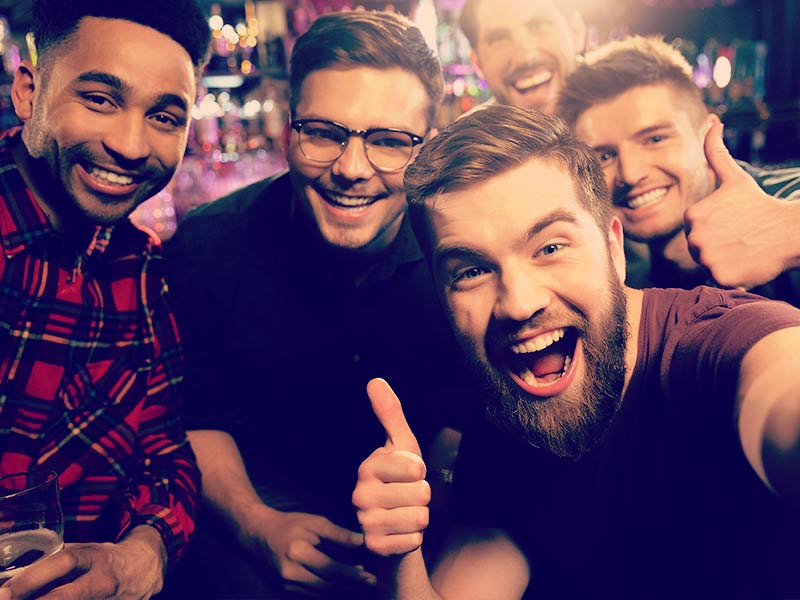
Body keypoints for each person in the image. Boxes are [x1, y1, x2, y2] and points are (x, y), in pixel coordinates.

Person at [352, 105, 800, 599]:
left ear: (612, 247)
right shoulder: (506, 421)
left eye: (550, 248)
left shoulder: (719, 343)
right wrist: (400, 559)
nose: (519, 303)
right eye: (471, 271)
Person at [163, 11, 472, 599]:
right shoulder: (207, 247)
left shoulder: (461, 258)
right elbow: (195, 415)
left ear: (427, 150)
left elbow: (474, 427)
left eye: (387, 142)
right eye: (325, 133)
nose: (352, 170)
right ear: (287, 131)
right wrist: (258, 527)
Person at [0, 1, 210, 599]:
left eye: (165, 116)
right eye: (99, 99)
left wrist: (145, 550)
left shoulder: (139, 262)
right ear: (29, 92)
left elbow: (166, 452)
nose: (129, 144)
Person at [557, 36, 800, 304]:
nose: (631, 174)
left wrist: (787, 229)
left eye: (655, 139)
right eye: (604, 156)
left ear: (707, 134)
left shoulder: (781, 200)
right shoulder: (624, 276)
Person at [458, 0, 585, 114]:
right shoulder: (466, 139)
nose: (526, 58)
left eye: (538, 25)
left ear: (576, 32)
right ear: (478, 63)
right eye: (499, 38)